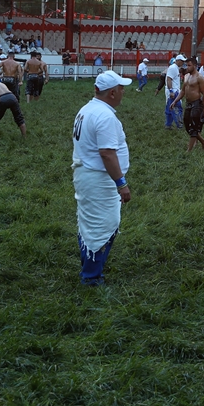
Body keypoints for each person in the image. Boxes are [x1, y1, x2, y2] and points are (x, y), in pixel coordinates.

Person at [72, 70, 133, 286]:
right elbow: (107, 153)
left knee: (92, 222)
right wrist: (121, 183)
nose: (124, 91)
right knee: (103, 224)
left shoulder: (87, 109)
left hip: (88, 175)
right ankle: (91, 276)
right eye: (121, 88)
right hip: (99, 178)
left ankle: (90, 265)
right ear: (113, 93)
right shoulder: (105, 116)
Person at [164, 55, 183, 129]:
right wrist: (171, 91)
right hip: (174, 91)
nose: (182, 63)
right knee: (177, 108)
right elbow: (169, 79)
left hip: (173, 90)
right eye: (182, 61)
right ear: (178, 60)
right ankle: (179, 125)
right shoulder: (173, 68)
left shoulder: (175, 68)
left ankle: (168, 125)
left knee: (169, 108)